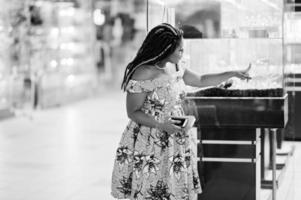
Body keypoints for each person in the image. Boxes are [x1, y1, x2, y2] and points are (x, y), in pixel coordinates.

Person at [111, 23, 251, 200]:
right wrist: (161, 124)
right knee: (151, 189)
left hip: (175, 137)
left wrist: (232, 73)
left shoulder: (175, 66)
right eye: (180, 50)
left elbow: (200, 79)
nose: (182, 53)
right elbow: (132, 112)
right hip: (150, 140)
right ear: (165, 49)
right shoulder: (143, 73)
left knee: (173, 190)